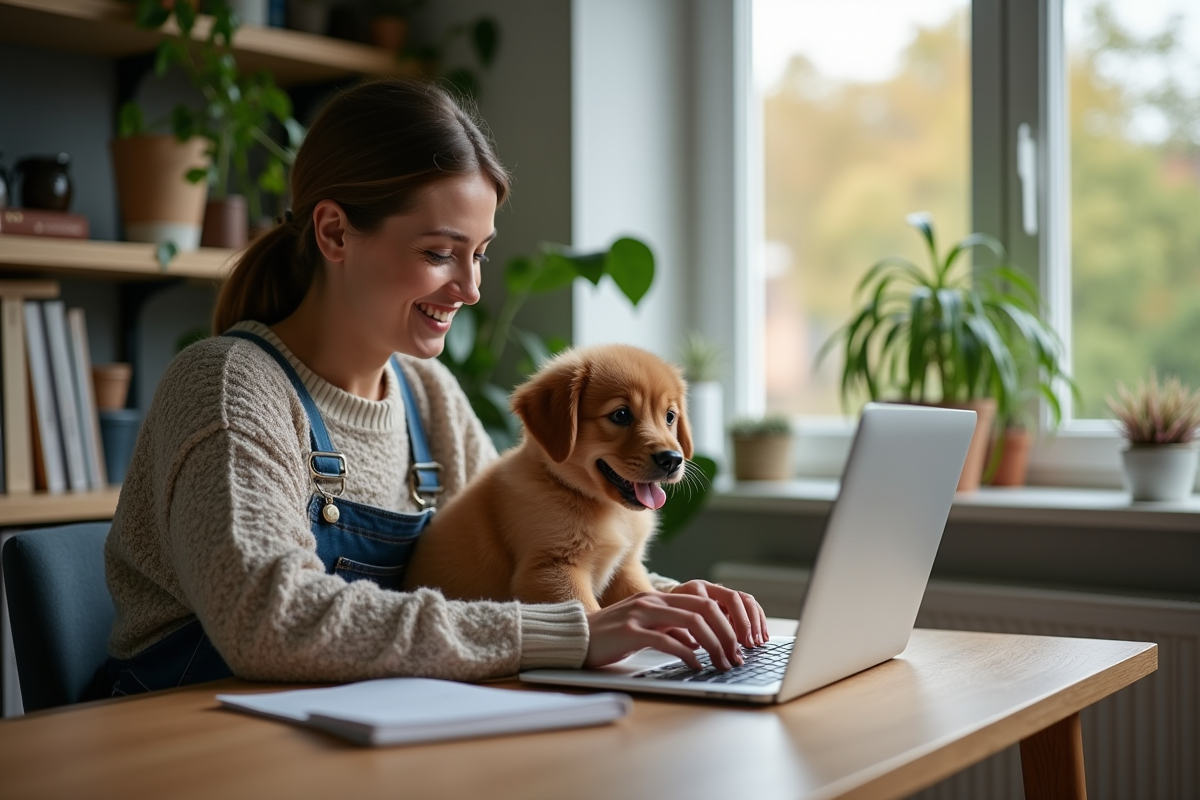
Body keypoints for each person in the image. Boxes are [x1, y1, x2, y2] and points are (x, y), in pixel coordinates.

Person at [95, 79, 766, 698]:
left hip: (360, 716)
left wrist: (678, 609)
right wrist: (577, 635)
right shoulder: (228, 385)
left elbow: (528, 561)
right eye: (439, 253)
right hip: (196, 731)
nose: (471, 289)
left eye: (479, 254)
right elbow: (272, 620)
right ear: (334, 232)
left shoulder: (429, 397)